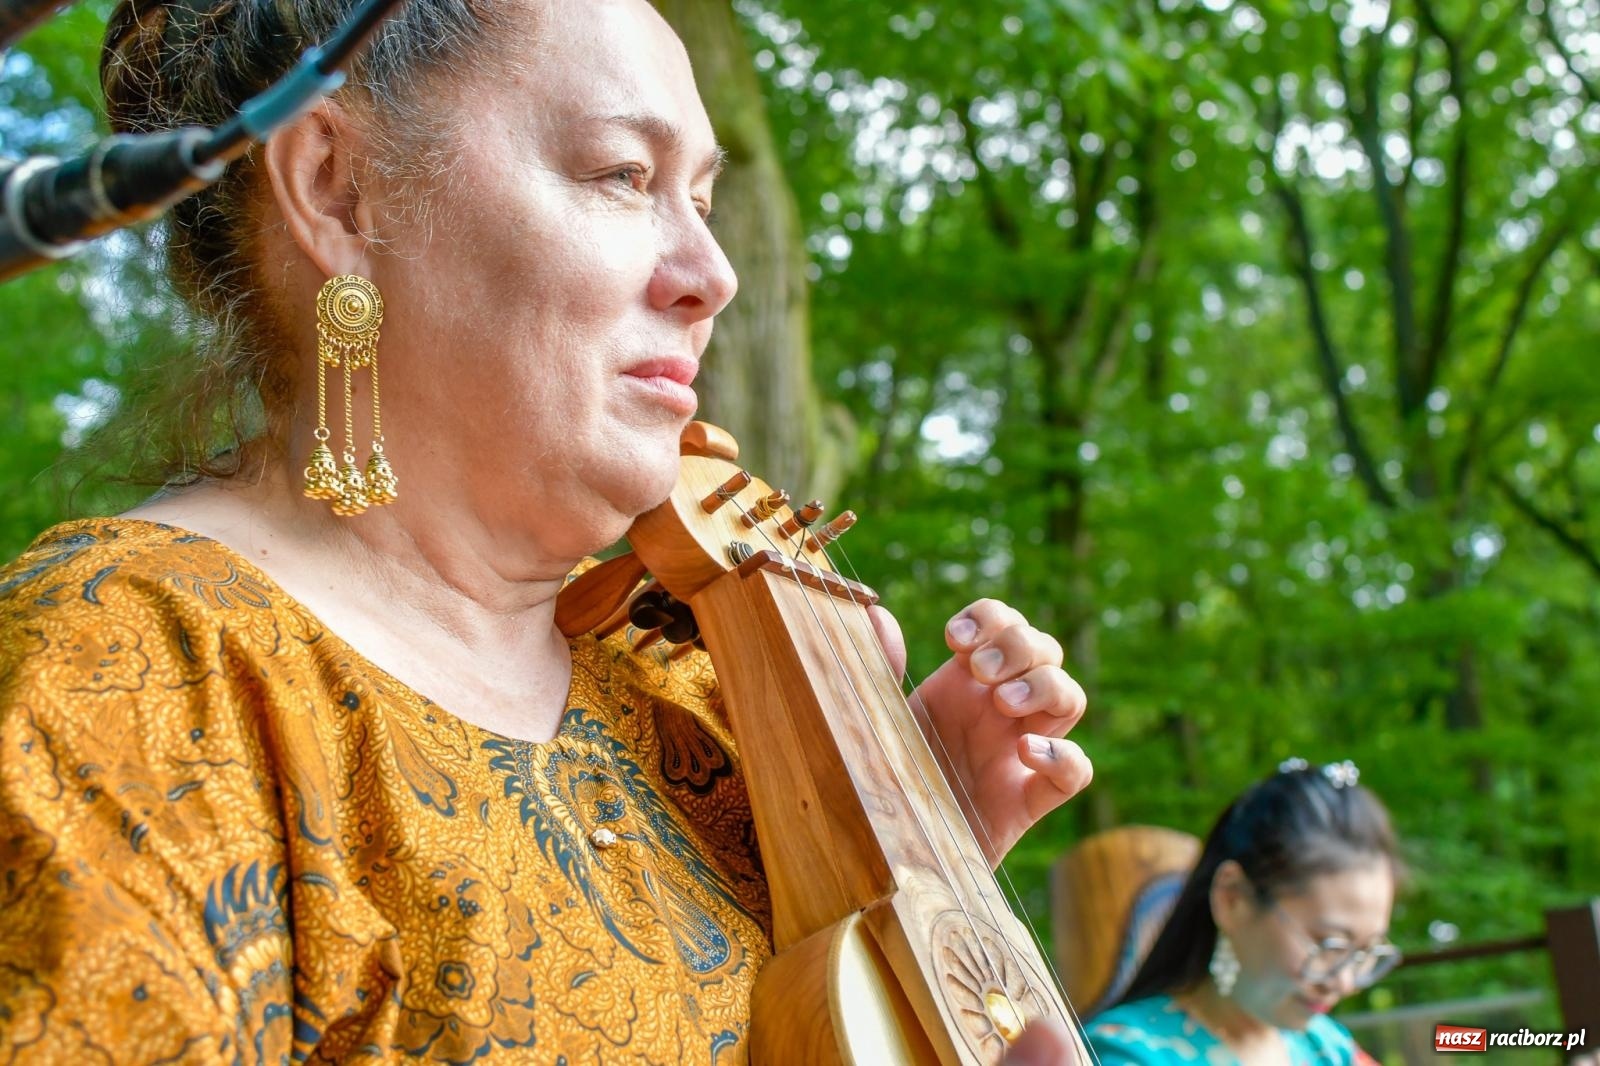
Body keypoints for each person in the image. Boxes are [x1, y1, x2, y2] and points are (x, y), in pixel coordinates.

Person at [0, 0, 1095, 1061]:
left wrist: (897, 884)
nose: (714, 277)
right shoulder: (126, 674)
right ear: (339, 188)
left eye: (703, 200)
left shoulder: (695, 701)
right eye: (624, 175)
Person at [1084, 760, 1401, 1066]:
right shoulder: (1127, 1053)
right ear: (1232, 898)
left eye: (1366, 952)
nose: (1345, 982)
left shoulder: (1328, 1047)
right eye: (1328, 944)